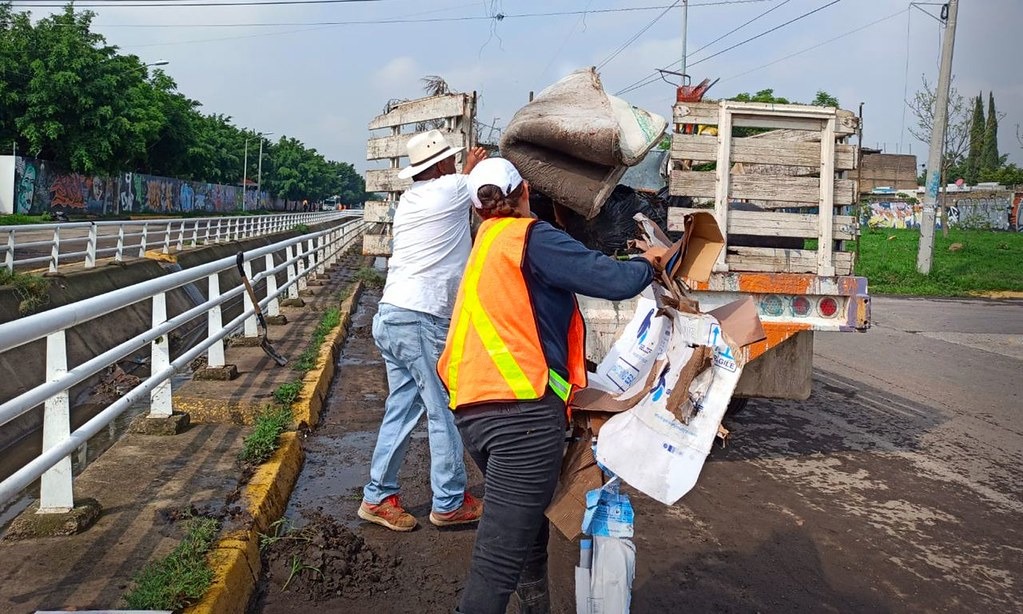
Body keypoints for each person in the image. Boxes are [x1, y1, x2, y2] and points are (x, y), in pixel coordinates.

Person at [438, 158, 665, 613]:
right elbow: (609, 279)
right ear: (525, 190)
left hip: (475, 413)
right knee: (496, 560)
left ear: (479, 210)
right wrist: (649, 264)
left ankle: (537, 606)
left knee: (524, 526)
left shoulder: (486, 242)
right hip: (520, 417)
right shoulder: (531, 237)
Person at [359, 129, 488, 532]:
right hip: (421, 319)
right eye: (450, 159)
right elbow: (493, 188)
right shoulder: (451, 188)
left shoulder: (412, 199)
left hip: (394, 316)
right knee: (444, 412)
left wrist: (465, 171)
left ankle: (378, 496)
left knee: (402, 408)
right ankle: (448, 502)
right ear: (440, 165)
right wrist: (474, 169)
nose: (454, 163)